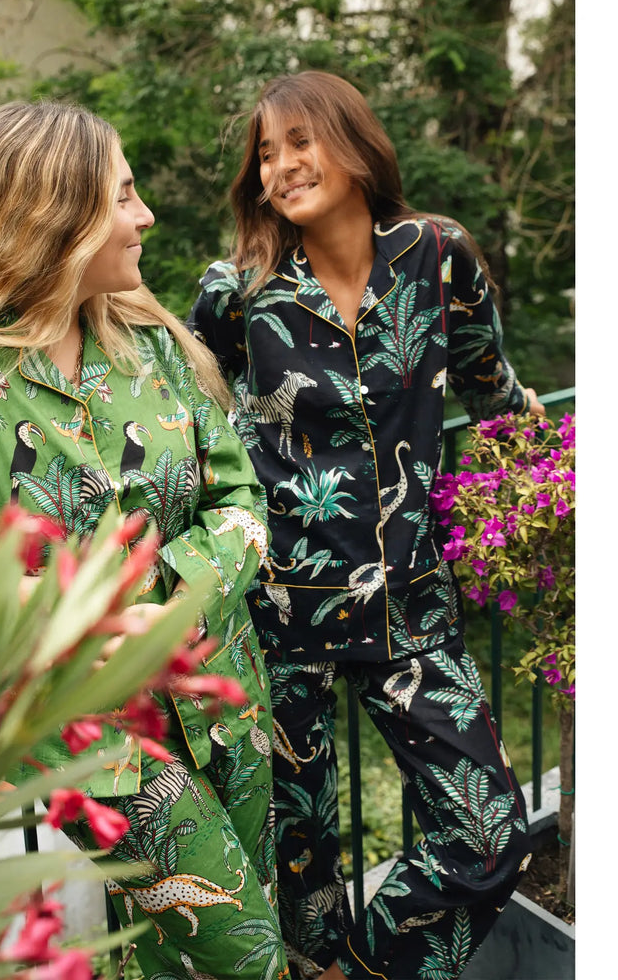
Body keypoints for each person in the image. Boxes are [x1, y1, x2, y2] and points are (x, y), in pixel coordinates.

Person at [0, 101, 289, 980]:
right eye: (124, 195)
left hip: (224, 701)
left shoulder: (146, 337)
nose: (145, 216)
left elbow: (239, 500)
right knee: (249, 956)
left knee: (163, 955)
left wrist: (139, 597)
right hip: (88, 731)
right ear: (54, 213)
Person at [188, 71, 543, 980]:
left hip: (410, 604)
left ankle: (359, 970)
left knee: (489, 833)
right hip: (279, 617)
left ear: (352, 142)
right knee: (301, 878)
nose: (280, 167)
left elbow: (482, 373)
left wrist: (525, 420)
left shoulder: (438, 253)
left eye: (298, 141)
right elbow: (193, 417)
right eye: (265, 153)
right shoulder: (237, 291)